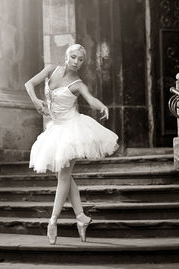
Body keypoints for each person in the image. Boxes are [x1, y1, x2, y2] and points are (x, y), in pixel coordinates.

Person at [24, 44, 119, 245]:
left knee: (64, 176)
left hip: (73, 129)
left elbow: (90, 98)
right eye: (73, 57)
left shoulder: (77, 83)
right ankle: (81, 217)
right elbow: (29, 84)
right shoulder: (51, 70)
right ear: (66, 56)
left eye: (81, 59)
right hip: (56, 129)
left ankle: (53, 220)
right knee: (64, 176)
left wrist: (101, 105)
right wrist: (36, 102)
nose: (76, 62)